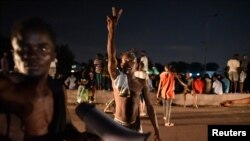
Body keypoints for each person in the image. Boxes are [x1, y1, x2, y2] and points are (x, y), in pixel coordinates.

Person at [0, 17, 101, 141]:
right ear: (14, 54)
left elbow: (65, 126)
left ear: (53, 55)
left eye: (42, 49)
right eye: (24, 48)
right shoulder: (6, 90)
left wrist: (79, 137)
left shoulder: (57, 89)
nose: (33, 55)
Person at [106, 7, 161, 140]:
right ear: (120, 63)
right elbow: (111, 54)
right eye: (126, 61)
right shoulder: (116, 76)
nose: (129, 64)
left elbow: (149, 107)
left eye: (132, 61)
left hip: (136, 127)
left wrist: (157, 129)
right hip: (118, 126)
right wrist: (112, 31)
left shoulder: (141, 82)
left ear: (136, 64)